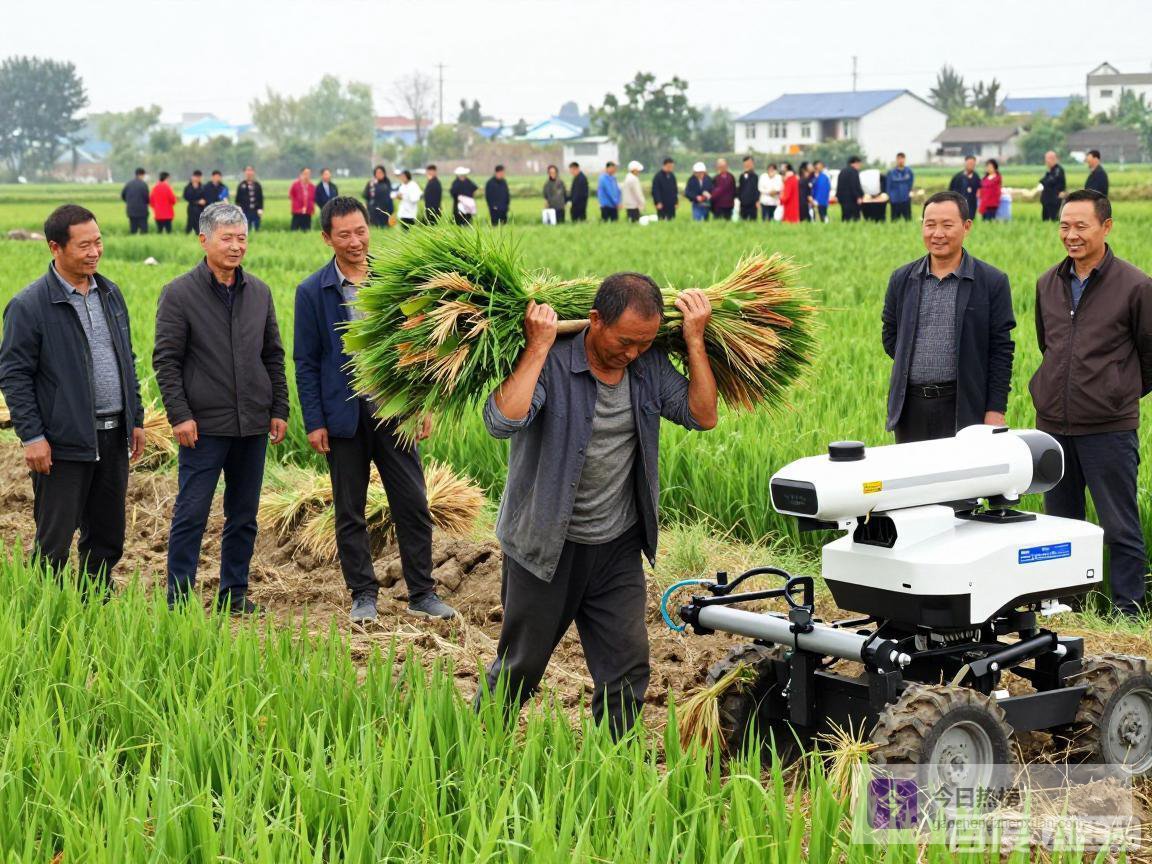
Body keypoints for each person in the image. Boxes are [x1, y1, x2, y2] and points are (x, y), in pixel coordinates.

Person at [474, 272, 718, 736]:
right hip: (545, 545)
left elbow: (702, 415)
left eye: (643, 344)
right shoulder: (553, 360)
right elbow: (501, 422)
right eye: (624, 341)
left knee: (626, 668)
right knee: (519, 669)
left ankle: (614, 764)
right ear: (593, 321)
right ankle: (476, 749)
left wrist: (695, 341)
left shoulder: (647, 367)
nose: (631, 353)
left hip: (617, 547)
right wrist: (538, 347)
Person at [294, 196, 456, 623]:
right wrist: (314, 421)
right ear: (326, 238)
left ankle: (422, 592)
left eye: (361, 231)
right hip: (343, 416)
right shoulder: (312, 292)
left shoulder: (394, 280)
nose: (354, 241)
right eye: (343, 234)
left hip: (394, 409)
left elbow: (421, 348)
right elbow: (306, 361)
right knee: (350, 509)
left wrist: (423, 405)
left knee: (413, 503)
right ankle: (363, 595)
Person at [0, 205, 145, 598]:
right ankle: (43, 614)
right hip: (62, 442)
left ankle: (94, 607)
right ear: (55, 248)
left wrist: (136, 417)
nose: (95, 251)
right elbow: (14, 376)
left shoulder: (110, 293)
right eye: (84, 245)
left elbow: (126, 359)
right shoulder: (29, 306)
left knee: (107, 535)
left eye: (98, 242)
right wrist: (31, 437)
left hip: (113, 436)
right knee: (55, 540)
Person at [153, 202, 289, 614]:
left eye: (241, 238)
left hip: (252, 423)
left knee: (244, 515)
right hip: (203, 426)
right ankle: (179, 597)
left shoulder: (259, 292)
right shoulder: (179, 293)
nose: (235, 246)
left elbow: (273, 356)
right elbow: (167, 361)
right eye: (226, 238)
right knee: (192, 513)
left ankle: (234, 593)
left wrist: (278, 408)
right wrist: (180, 415)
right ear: (204, 240)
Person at [1031, 189, 1151, 618]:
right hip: (1053, 428)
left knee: (1119, 526)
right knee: (1060, 529)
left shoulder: (1135, 285)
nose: (1072, 235)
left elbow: (1148, 355)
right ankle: (1065, 611)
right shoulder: (1048, 283)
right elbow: (1048, 344)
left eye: (1081, 226)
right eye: (1065, 226)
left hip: (1108, 428)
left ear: (1106, 227)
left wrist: (1115, 391)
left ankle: (1128, 612)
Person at [882, 190, 1015, 444]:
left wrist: (995, 409)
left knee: (966, 483)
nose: (937, 233)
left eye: (947, 225)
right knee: (915, 481)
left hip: (965, 406)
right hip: (911, 408)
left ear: (966, 227)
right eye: (930, 225)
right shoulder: (902, 279)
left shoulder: (991, 281)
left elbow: (1001, 351)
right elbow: (891, 336)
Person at [948, 155, 981, 224]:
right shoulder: (957, 177)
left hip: (972, 205)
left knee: (970, 222)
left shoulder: (976, 177)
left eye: (973, 164)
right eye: (969, 163)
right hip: (959, 205)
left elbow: (980, 190)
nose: (971, 165)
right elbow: (950, 191)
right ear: (965, 163)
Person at [1039, 150, 1066, 222]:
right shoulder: (1050, 170)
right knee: (1045, 220)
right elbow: (1043, 180)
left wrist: (1043, 181)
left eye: (1047, 159)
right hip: (1047, 201)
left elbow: (1049, 181)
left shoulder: (1058, 170)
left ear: (1052, 159)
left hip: (1054, 201)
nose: (1046, 162)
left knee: (1054, 220)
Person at [121, 168, 150, 234]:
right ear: (141, 175)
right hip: (142, 211)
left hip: (131, 211)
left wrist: (129, 201)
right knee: (144, 231)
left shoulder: (128, 184)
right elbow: (147, 198)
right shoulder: (144, 184)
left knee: (133, 231)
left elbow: (123, 195)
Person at [235, 166, 264, 231]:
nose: (249, 172)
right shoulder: (241, 185)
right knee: (246, 230)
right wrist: (238, 210)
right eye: (247, 170)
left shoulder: (257, 185)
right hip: (245, 211)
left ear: (253, 172)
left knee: (257, 228)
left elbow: (261, 198)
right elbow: (237, 200)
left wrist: (261, 209)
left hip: (256, 211)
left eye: (251, 170)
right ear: (244, 172)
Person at [836, 156, 865, 222]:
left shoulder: (842, 171)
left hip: (843, 200)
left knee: (845, 217)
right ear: (855, 163)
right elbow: (854, 185)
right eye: (859, 164)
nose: (860, 166)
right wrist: (858, 196)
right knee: (855, 218)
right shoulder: (854, 172)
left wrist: (838, 196)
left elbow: (839, 186)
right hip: (852, 200)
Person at [887, 153, 914, 221]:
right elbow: (888, 186)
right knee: (894, 220)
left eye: (902, 158)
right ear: (896, 160)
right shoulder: (891, 172)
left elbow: (910, 184)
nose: (900, 160)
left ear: (904, 160)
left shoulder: (909, 171)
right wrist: (889, 196)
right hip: (894, 199)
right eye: (899, 159)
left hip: (905, 199)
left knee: (908, 219)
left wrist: (910, 193)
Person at [737, 156, 759, 221]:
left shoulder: (755, 176)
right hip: (743, 203)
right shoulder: (742, 176)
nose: (748, 165)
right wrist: (740, 198)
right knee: (743, 220)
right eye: (746, 163)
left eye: (749, 163)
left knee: (753, 220)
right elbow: (740, 189)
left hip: (752, 204)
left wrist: (757, 200)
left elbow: (756, 189)